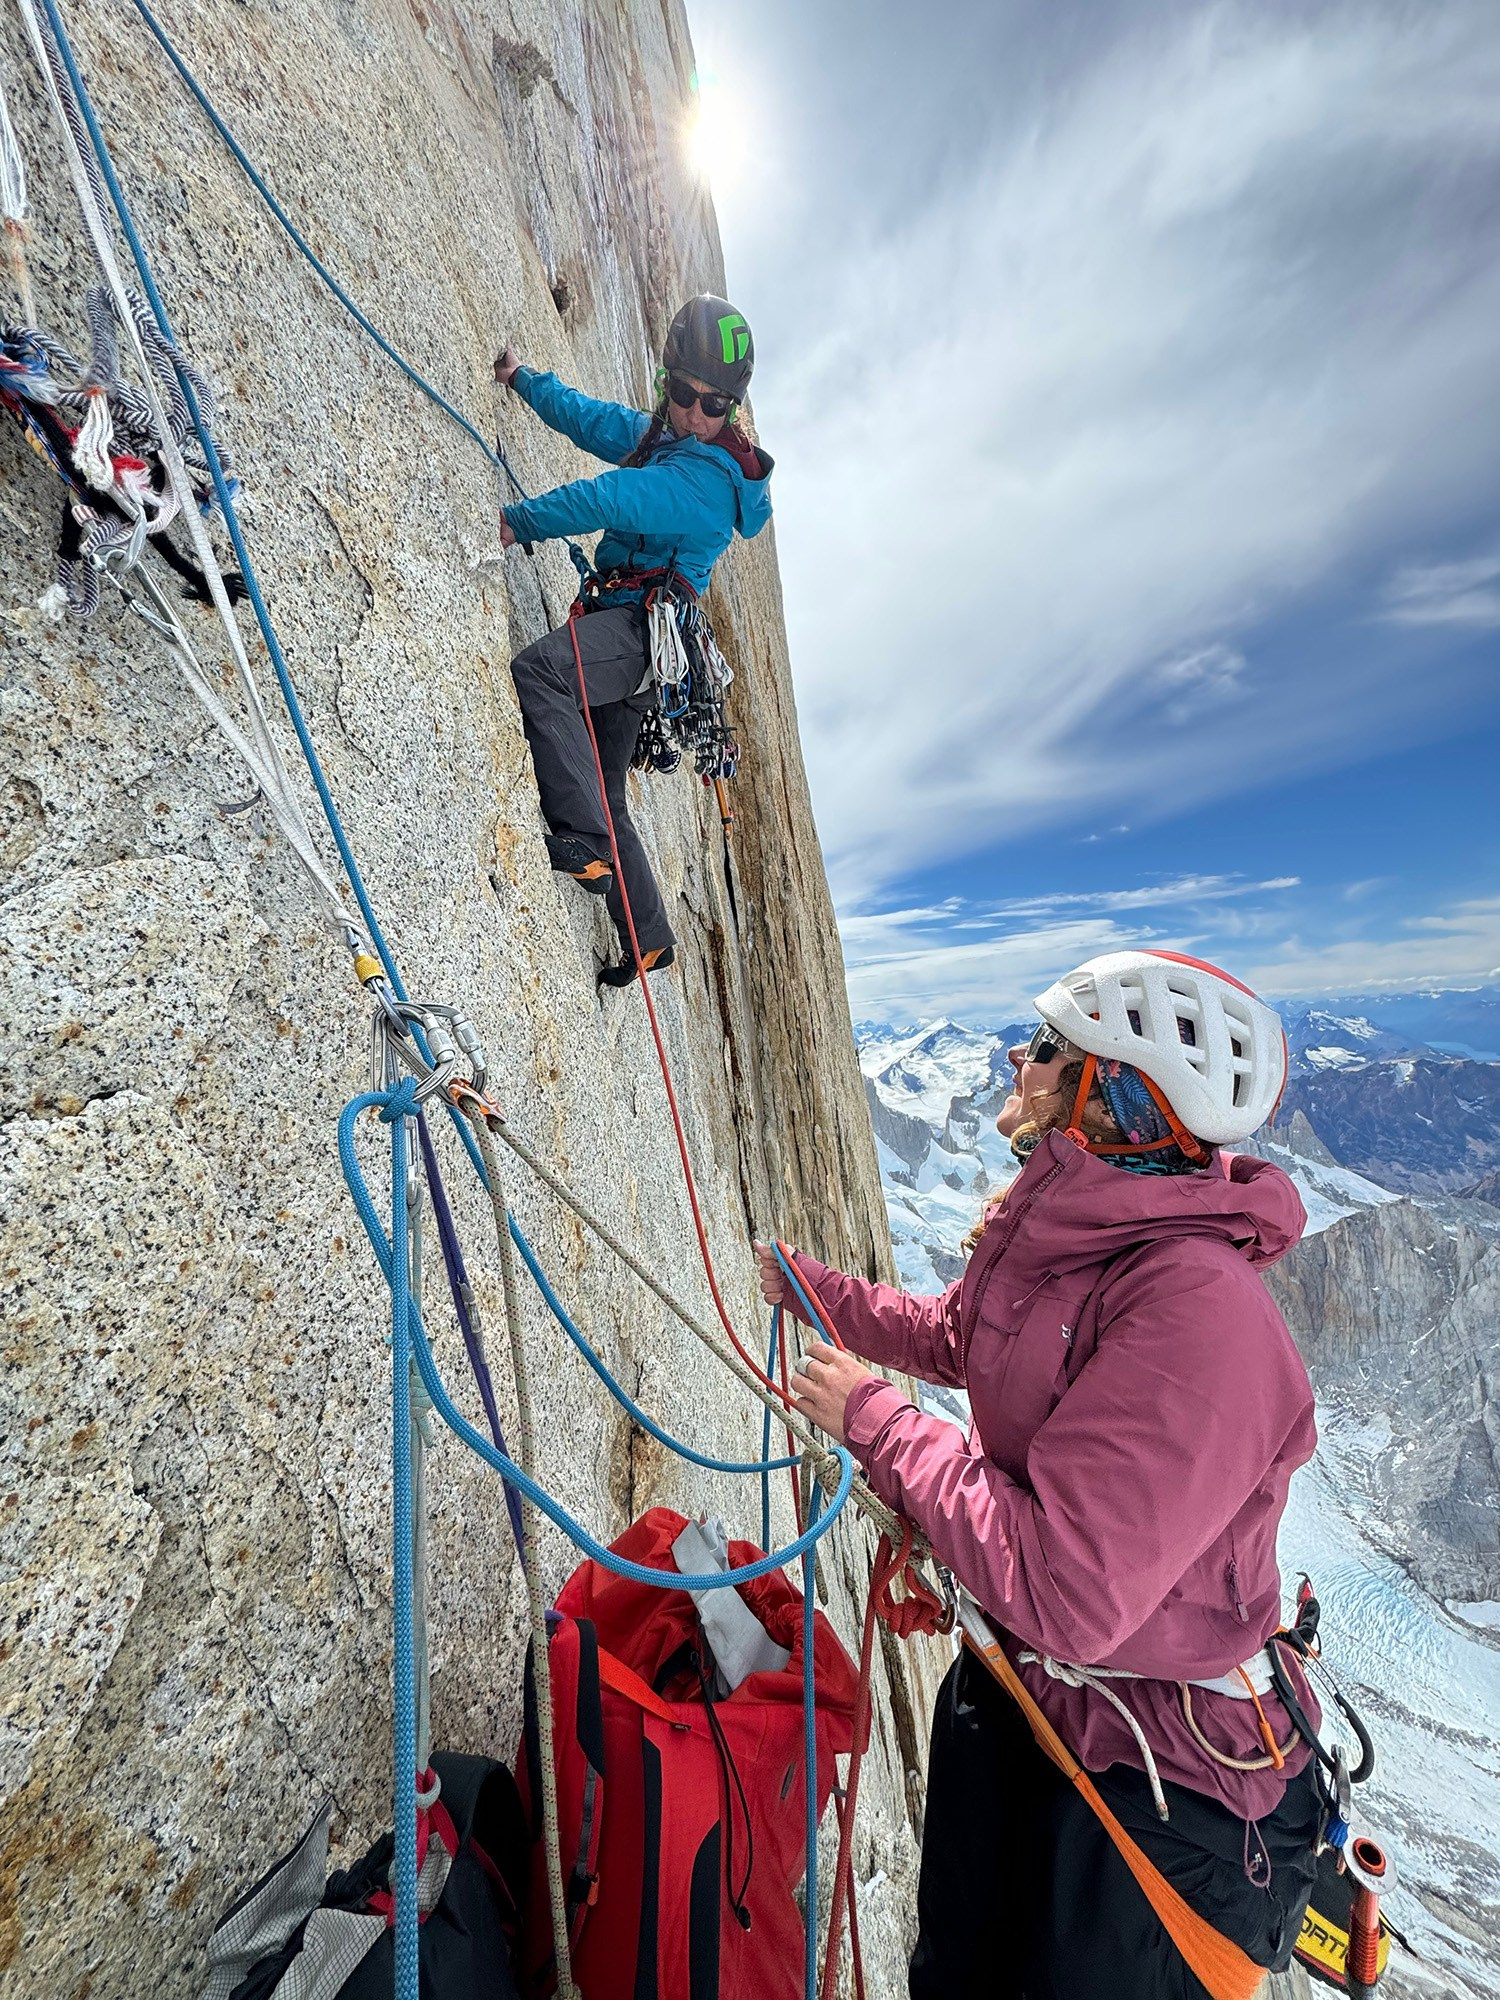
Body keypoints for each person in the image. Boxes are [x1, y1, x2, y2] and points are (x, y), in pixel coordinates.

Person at [756, 949, 1325, 1999]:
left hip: (1151, 1801)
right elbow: (965, 1338)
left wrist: (876, 1420)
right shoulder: (1075, 1236)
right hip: (1029, 1697)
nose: (1018, 1055)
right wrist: (817, 1292)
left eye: (1050, 1046)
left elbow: (1069, 1585)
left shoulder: (1197, 1310)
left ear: (1109, 1094)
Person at [493, 295, 772, 986]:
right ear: (665, 382)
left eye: (715, 406)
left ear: (733, 410)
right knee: (609, 788)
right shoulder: (668, 442)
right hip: (639, 637)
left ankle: (582, 840)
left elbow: (610, 498)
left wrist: (517, 523)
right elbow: (592, 420)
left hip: (638, 634)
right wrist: (525, 379)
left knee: (544, 673)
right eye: (684, 394)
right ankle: (648, 938)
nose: (696, 414)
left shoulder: (704, 481)